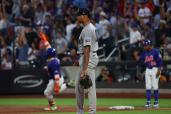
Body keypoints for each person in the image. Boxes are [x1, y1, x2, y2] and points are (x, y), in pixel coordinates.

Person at [76, 8, 99, 114]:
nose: (77, 17)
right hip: (85, 57)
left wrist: (84, 68)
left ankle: (92, 111)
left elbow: (87, 49)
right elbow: (83, 50)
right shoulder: (86, 28)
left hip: (89, 57)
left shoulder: (88, 29)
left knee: (89, 86)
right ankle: (80, 111)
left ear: (84, 16)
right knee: (79, 86)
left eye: (79, 15)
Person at [136, 39, 163, 108]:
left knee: (155, 86)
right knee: (148, 87)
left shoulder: (156, 51)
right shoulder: (144, 52)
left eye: (145, 45)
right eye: (144, 45)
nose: (144, 47)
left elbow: (160, 62)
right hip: (148, 69)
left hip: (155, 69)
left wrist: (159, 71)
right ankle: (148, 103)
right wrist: (137, 57)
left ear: (149, 45)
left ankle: (156, 103)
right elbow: (140, 61)